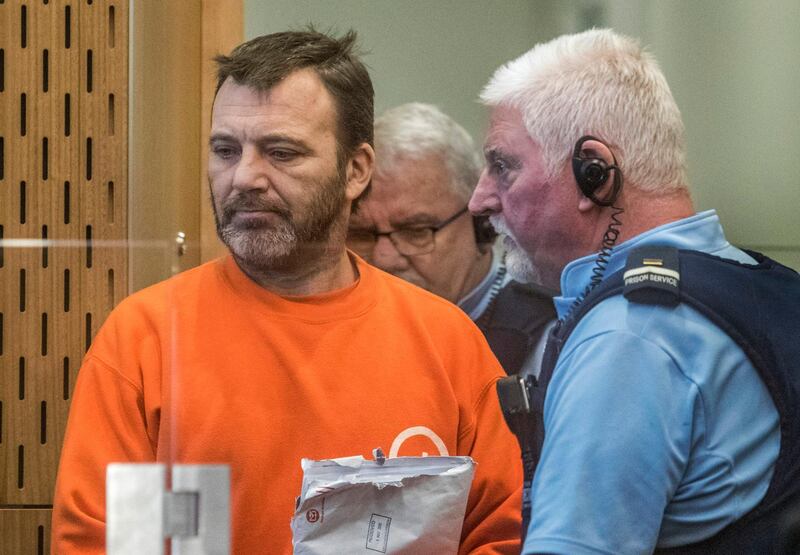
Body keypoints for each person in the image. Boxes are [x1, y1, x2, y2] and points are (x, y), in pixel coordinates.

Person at [51, 30, 522, 554]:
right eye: (226, 150)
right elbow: (111, 544)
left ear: (355, 170)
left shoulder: (448, 345)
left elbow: (497, 537)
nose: (245, 177)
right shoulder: (148, 341)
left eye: (281, 152)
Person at [469, 29, 800, 554]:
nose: (479, 199)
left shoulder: (627, 340)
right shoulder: (759, 283)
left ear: (593, 174)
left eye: (503, 166)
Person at [348, 102, 555, 376]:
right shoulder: (337, 328)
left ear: (483, 223)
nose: (383, 258)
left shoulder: (548, 335)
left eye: (416, 231)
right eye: (362, 234)